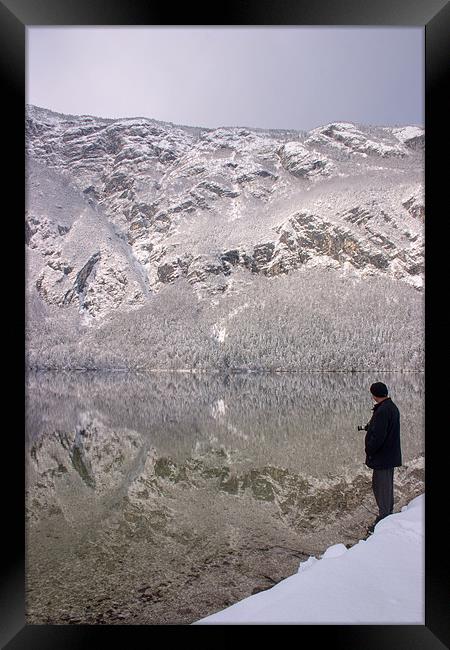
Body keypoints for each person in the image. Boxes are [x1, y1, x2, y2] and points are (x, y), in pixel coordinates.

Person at [363, 382, 402, 534]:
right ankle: (386, 515)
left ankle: (384, 519)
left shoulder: (383, 411)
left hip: (383, 457)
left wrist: (369, 449)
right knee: (384, 486)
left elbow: (378, 437)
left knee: (381, 487)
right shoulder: (390, 407)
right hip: (388, 456)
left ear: (374, 395)